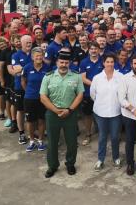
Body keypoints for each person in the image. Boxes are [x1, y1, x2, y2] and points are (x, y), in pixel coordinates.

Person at [39, 50, 84, 178]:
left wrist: (69, 110)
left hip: (70, 113)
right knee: (52, 142)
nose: (63, 65)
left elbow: (80, 95)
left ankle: (70, 164)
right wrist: (55, 110)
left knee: (72, 142)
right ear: (57, 62)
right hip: (53, 114)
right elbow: (43, 97)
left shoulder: (76, 76)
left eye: (66, 62)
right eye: (61, 62)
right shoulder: (48, 76)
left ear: (69, 63)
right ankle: (52, 166)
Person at [90, 54, 124, 171]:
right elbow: (93, 95)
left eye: (112, 62)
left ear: (115, 63)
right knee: (102, 137)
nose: (110, 64)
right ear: (103, 63)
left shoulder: (121, 77)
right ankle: (100, 159)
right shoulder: (97, 78)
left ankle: (116, 157)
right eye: (107, 62)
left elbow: (123, 94)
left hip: (116, 112)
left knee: (115, 137)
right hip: (100, 112)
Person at [21, 47, 51, 152]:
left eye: (40, 55)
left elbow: (50, 83)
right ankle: (32, 141)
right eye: (36, 56)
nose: (39, 57)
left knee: (41, 120)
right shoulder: (27, 67)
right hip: (29, 98)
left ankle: (41, 140)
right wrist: (28, 91)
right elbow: (23, 81)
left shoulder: (47, 68)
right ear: (33, 57)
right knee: (30, 121)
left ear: (43, 56)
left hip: (43, 99)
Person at [9, 35, 33, 144]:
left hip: (33, 87)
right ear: (21, 43)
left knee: (31, 110)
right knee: (20, 110)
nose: (29, 44)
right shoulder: (16, 55)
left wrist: (23, 69)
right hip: (19, 87)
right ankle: (21, 133)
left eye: (30, 42)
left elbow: (38, 65)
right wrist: (30, 69)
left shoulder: (34, 53)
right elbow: (16, 70)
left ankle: (32, 132)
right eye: (27, 42)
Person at [79, 42, 103, 145]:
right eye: (91, 49)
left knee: (102, 114)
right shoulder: (84, 62)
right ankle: (88, 134)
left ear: (98, 50)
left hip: (102, 93)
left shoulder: (103, 61)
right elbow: (83, 78)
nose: (93, 51)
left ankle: (103, 135)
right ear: (89, 50)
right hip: (88, 93)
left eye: (95, 49)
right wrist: (95, 84)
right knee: (88, 115)